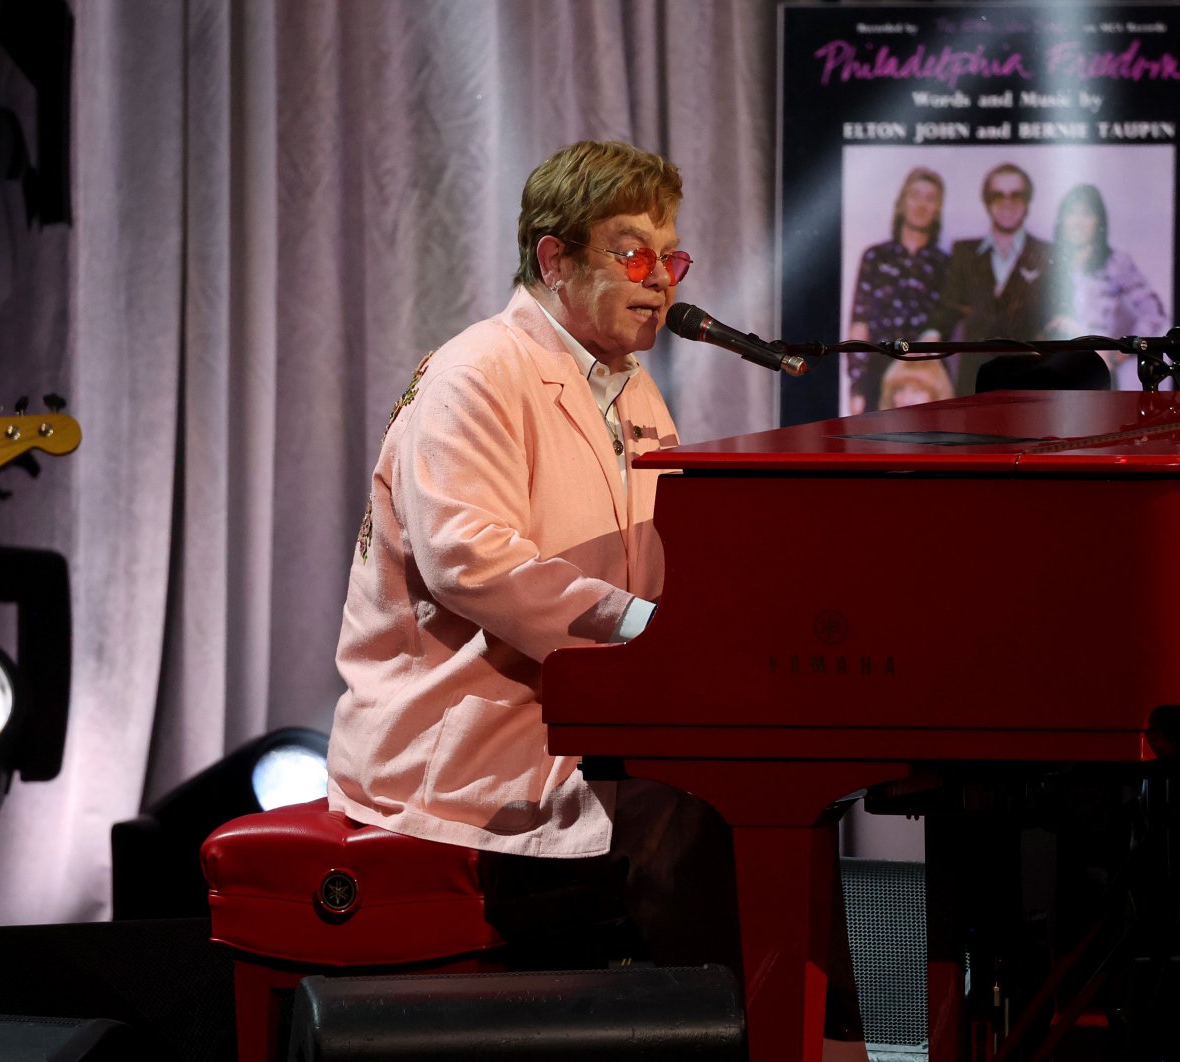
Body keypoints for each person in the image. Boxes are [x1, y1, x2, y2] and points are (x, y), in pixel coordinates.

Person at [325, 140, 865, 1058]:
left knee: (789, 787)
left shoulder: (634, 392)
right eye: (632, 253)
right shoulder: (476, 372)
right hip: (459, 749)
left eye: (672, 257)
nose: (660, 280)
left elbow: (659, 564)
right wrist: (647, 627)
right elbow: (472, 562)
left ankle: (826, 1042)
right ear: (552, 258)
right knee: (711, 818)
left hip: (590, 727)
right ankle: (765, 1044)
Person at [923, 161, 1067, 394]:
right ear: (987, 201)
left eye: (1016, 195)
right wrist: (931, 334)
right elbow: (947, 309)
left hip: (1031, 382)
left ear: (1027, 201)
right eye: (998, 195)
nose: (1007, 203)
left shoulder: (1047, 255)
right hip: (974, 382)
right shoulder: (964, 253)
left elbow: (1057, 314)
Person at [845, 166, 951, 413]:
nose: (921, 205)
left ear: (938, 210)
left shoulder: (946, 265)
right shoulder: (876, 258)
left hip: (927, 381)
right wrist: (857, 385)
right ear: (902, 202)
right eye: (914, 195)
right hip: (879, 375)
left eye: (930, 198)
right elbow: (860, 324)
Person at [1045, 182, 1170, 390]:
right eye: (1072, 214)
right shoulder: (1045, 260)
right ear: (1061, 219)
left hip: (1096, 371)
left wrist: (1121, 351)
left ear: (1099, 220)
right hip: (1051, 369)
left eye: (1086, 214)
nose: (1078, 222)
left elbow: (1153, 312)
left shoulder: (1115, 263)